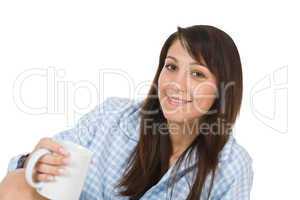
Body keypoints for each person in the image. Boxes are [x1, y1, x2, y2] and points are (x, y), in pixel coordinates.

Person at [1, 25, 253, 199]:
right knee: (17, 183)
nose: (176, 83)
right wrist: (35, 163)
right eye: (171, 67)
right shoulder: (112, 116)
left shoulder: (231, 166)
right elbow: (35, 171)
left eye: (197, 73)